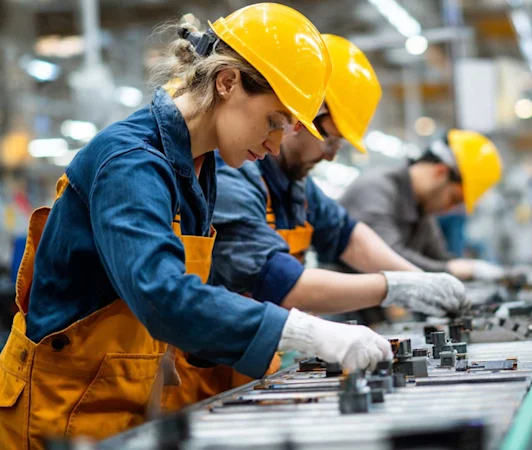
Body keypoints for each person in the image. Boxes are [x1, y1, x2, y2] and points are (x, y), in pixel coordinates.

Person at [0, 5, 394, 446]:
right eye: (273, 121)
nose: (275, 144)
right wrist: (306, 331)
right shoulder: (131, 162)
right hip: (57, 413)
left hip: (119, 405)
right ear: (226, 82)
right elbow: (163, 297)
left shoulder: (199, 166)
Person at [181, 35, 466, 412]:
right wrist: (393, 288)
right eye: (331, 141)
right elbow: (279, 282)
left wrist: (418, 280)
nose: (331, 156)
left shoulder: (294, 182)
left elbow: (347, 236)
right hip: (203, 383)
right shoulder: (232, 172)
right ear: (303, 118)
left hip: (256, 373)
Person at [339, 130, 504, 281]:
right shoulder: (375, 190)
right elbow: (387, 257)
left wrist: (482, 270)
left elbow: (438, 258)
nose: (449, 209)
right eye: (453, 199)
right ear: (440, 172)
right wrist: (452, 270)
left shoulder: (421, 210)